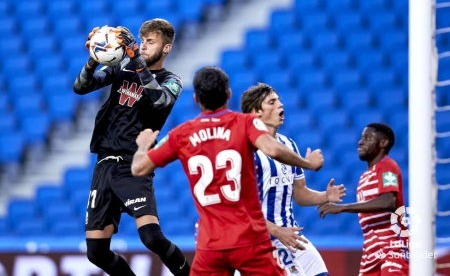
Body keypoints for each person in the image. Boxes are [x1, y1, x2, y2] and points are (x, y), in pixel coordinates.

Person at [131, 66, 325, 275]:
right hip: (248, 239)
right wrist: (308, 163)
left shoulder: (181, 134)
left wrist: (143, 146)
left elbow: (138, 168)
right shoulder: (245, 123)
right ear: (229, 94)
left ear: (196, 98)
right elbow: (272, 148)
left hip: (210, 243)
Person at [73, 19, 190, 276]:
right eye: (143, 40)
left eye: (151, 42)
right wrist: (93, 58)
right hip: (104, 163)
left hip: (133, 163)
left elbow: (159, 101)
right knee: (96, 252)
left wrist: (136, 59)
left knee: (151, 238)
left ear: (166, 48)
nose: (145, 46)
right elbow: (81, 87)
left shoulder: (172, 81)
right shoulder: (121, 68)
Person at [240, 83, 345, 276]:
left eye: (279, 100)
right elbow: (242, 212)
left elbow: (300, 192)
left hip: (290, 236)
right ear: (256, 112)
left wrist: (325, 196)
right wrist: (277, 231)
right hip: (263, 240)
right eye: (272, 102)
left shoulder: (288, 144)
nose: (281, 104)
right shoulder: (247, 151)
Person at [317, 123, 409, 276]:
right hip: (371, 250)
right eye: (361, 138)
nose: (360, 142)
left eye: (368, 138)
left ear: (383, 143)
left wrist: (343, 208)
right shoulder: (364, 177)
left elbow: (388, 201)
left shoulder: (387, 166)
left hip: (391, 246)